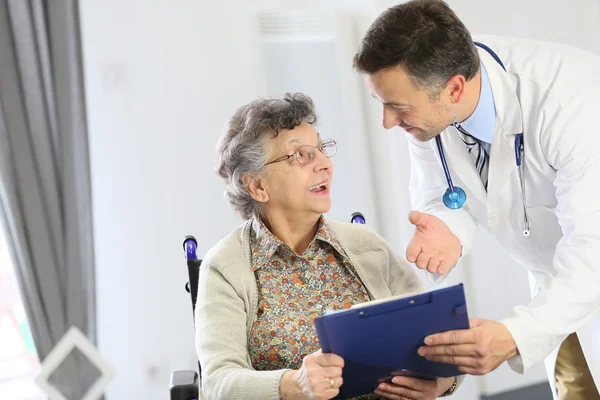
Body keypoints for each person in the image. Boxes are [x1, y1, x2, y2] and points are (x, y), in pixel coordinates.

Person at [352, 0, 600, 399]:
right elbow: (442, 191)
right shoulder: (432, 95)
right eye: (381, 102)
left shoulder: (573, 104)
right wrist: (447, 229)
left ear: (454, 88)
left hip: (587, 267)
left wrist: (513, 333)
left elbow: (593, 251)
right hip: (557, 284)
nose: (387, 121)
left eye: (397, 107)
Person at [194, 92, 461, 400]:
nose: (323, 164)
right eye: (300, 155)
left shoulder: (366, 246)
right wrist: (293, 385)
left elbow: (440, 337)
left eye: (321, 149)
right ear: (257, 186)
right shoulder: (226, 267)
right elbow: (217, 383)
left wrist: (440, 382)